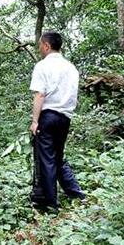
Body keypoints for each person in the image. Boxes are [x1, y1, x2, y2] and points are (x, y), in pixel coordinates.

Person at [29, 31, 85, 211]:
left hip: (48, 116)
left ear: (46, 45)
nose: (39, 49)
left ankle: (50, 203)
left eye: (40, 45)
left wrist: (35, 121)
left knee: (46, 159)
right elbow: (74, 97)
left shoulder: (42, 66)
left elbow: (40, 94)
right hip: (65, 117)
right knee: (57, 157)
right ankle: (76, 193)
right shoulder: (71, 68)